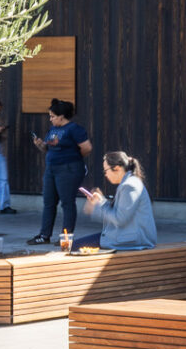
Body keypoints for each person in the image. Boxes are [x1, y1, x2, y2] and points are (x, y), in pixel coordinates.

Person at [28, 99, 91, 246]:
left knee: (67, 202)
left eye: (52, 116)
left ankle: (66, 236)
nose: (50, 119)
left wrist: (74, 157)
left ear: (61, 116)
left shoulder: (74, 129)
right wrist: (40, 145)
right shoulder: (53, 130)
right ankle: (44, 235)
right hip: (52, 168)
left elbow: (87, 147)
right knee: (49, 202)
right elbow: (48, 149)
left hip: (68, 169)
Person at [73, 152, 158, 251]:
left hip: (133, 240)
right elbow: (120, 212)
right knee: (77, 245)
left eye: (106, 171)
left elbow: (119, 219)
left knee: (75, 247)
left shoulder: (129, 186)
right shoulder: (129, 182)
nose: (105, 175)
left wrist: (96, 207)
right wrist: (101, 201)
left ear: (117, 168)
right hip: (130, 237)